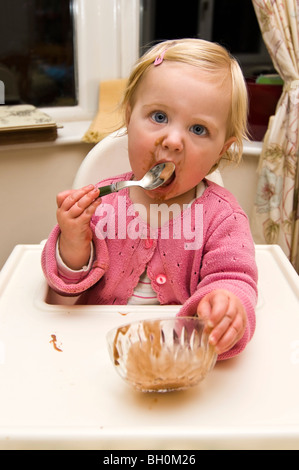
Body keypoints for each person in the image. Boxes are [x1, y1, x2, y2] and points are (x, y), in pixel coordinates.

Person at [42, 38, 258, 360]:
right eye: (159, 117)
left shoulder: (223, 218)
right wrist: (74, 242)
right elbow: (64, 292)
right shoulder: (103, 206)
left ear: (220, 152)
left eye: (198, 129)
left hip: (182, 356)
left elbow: (234, 277)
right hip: (94, 355)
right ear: (130, 118)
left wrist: (227, 304)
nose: (172, 141)